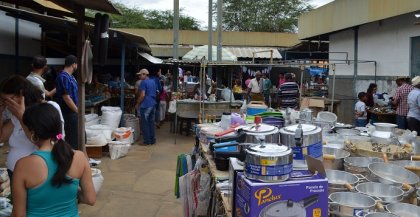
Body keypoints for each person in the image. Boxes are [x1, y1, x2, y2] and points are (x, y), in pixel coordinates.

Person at [11, 103, 96, 217]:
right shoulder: (79, 157)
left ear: (33, 133)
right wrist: (71, 189)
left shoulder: (23, 165)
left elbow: (18, 214)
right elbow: (90, 199)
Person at [0, 76, 44, 179]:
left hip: (33, 174)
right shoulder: (15, 116)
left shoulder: (46, 110)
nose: (6, 103)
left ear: (21, 95)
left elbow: (38, 140)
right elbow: (1, 137)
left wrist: (21, 116)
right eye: (3, 100)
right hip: (14, 171)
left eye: (8, 100)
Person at [54, 55, 79, 150]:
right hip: (67, 112)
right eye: (76, 64)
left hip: (72, 111)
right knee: (70, 136)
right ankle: (70, 156)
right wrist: (77, 111)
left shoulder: (71, 77)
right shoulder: (63, 77)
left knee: (74, 135)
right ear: (73, 64)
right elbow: (66, 98)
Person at [135, 69, 157, 145]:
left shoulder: (143, 82)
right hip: (153, 104)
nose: (139, 76)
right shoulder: (153, 81)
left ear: (144, 74)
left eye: (140, 75)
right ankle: (152, 140)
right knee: (151, 122)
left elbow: (142, 95)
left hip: (146, 104)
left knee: (144, 123)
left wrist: (138, 103)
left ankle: (147, 141)